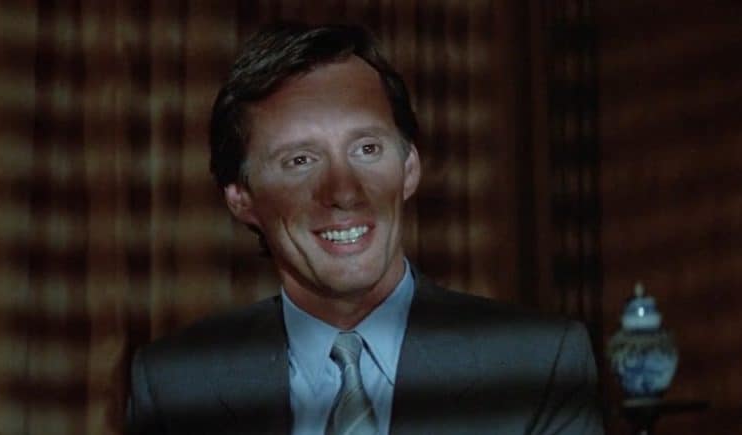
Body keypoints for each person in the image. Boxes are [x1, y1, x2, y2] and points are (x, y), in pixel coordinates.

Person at [126, 21, 603, 435]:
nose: (344, 191)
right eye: (300, 160)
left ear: (409, 169)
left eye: (367, 149)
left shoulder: (536, 367)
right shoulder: (176, 385)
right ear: (242, 199)